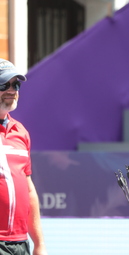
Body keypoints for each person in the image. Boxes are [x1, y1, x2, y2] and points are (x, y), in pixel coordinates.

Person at [0, 59, 47, 255]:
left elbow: (29, 191)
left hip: (20, 243)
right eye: (4, 84)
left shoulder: (21, 132)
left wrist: (39, 243)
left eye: (16, 84)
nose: (12, 90)